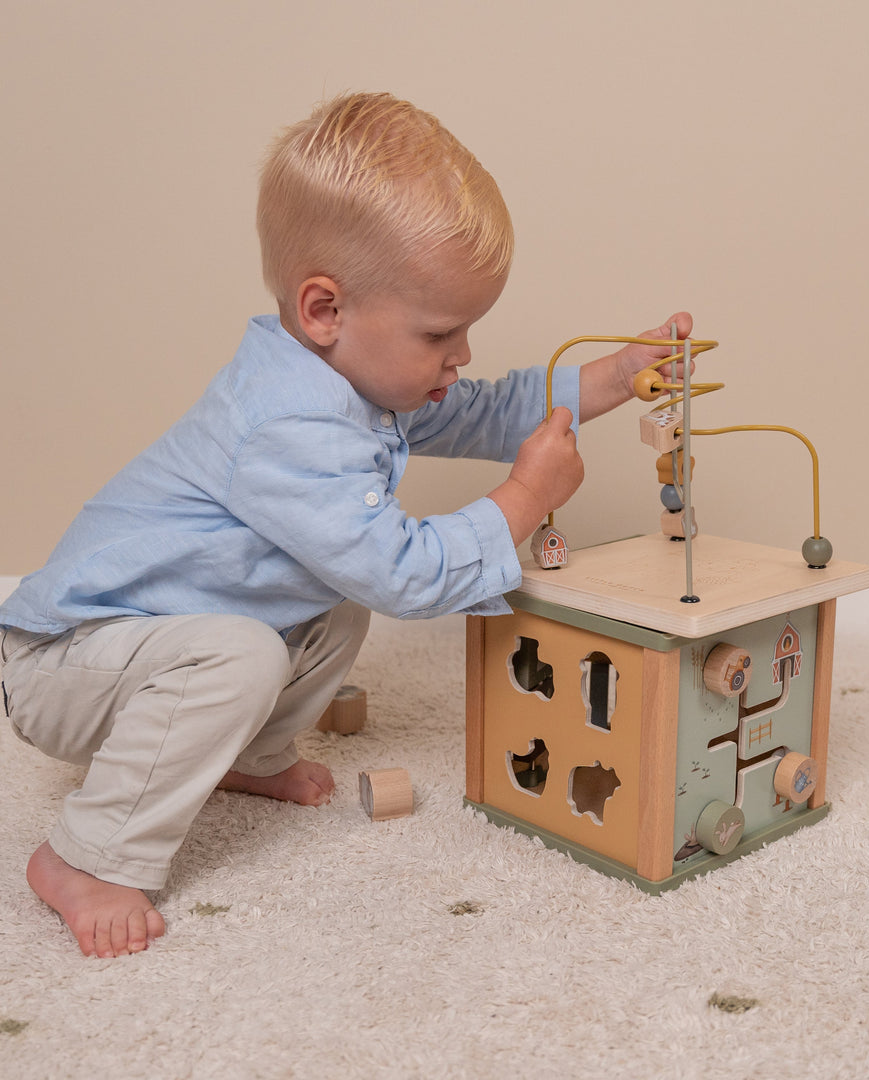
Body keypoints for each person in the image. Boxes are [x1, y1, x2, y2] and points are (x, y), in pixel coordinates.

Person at [0, 91, 692, 958]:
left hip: (154, 642)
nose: (462, 354)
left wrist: (616, 376)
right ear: (324, 312)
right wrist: (523, 496)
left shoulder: (359, 384)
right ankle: (87, 858)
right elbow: (402, 573)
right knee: (255, 646)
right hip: (68, 662)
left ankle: (246, 758)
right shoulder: (287, 425)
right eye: (442, 331)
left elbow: (486, 410)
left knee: (332, 607)